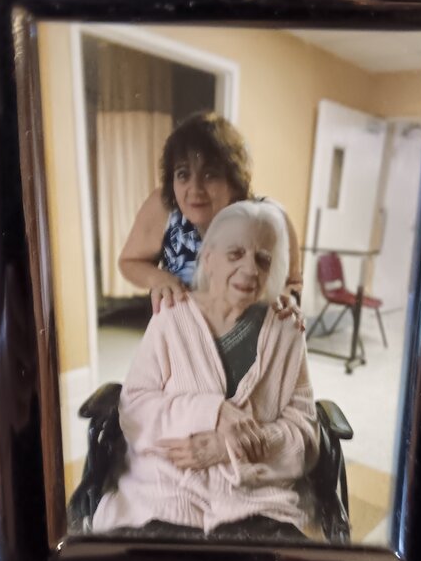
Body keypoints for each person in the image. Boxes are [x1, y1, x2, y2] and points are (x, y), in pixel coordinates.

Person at [93, 200, 319, 540]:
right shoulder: (171, 317)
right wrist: (212, 412)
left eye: (263, 259)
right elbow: (135, 407)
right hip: (167, 488)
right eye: (235, 254)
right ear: (209, 258)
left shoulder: (287, 329)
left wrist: (229, 449)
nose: (249, 269)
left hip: (256, 497)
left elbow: (304, 431)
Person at [118, 111, 304, 314]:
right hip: (180, 328)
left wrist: (287, 300)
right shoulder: (163, 206)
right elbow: (130, 261)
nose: (195, 189)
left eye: (210, 175)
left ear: (234, 181)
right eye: (183, 174)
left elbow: (292, 284)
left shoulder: (270, 219)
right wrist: (158, 278)